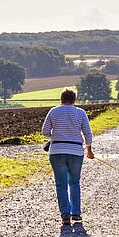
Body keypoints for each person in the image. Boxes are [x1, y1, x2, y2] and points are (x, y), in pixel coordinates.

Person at [41, 88, 94, 225]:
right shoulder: (80, 113)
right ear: (74, 100)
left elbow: (45, 131)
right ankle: (76, 213)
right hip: (76, 151)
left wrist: (56, 136)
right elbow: (88, 134)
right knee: (74, 182)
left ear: (61, 99)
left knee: (61, 184)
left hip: (57, 150)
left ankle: (65, 215)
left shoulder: (53, 111)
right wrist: (89, 150)